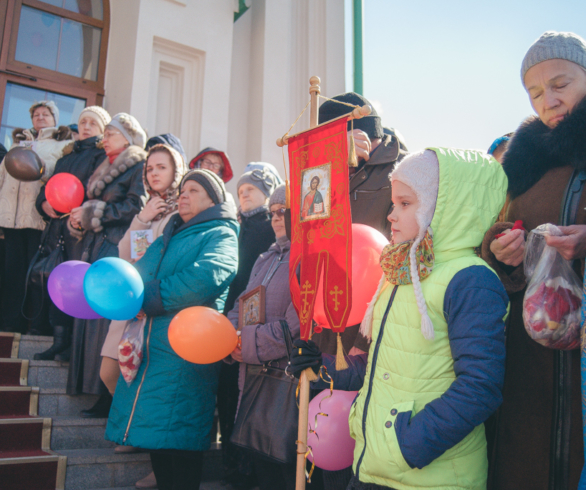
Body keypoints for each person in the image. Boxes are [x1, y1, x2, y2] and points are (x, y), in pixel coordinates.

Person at [292, 148, 509, 490]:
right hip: (376, 466)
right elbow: (386, 365)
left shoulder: (470, 279)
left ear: (444, 208)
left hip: (429, 476)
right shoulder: (401, 272)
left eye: (405, 204)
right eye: (393, 203)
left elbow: (480, 386)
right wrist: (321, 367)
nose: (391, 215)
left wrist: (407, 445)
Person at [481, 31, 586, 489]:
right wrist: (501, 249)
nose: (550, 100)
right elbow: (496, 228)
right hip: (533, 359)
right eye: (536, 92)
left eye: (561, 84)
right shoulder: (522, 164)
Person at [105, 169, 238, 490]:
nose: (183, 195)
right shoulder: (170, 235)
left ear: (213, 199)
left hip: (185, 350)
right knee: (158, 440)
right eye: (182, 190)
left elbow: (208, 275)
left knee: (180, 440)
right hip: (152, 350)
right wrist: (130, 294)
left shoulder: (221, 232)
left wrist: (153, 296)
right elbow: (140, 273)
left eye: (193, 190)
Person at [66, 113, 147, 418]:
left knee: (106, 322)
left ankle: (107, 395)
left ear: (127, 136)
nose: (104, 138)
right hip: (96, 246)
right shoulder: (105, 164)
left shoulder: (138, 164)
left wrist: (94, 212)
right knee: (92, 319)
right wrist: (82, 219)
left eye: (111, 132)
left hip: (116, 248)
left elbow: (134, 206)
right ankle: (90, 385)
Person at [226, 184, 300, 490]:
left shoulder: (305, 259)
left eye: (283, 211)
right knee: (259, 469)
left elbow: (295, 328)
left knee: (281, 471)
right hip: (251, 379)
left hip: (283, 386)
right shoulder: (264, 259)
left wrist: (247, 344)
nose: (276, 218)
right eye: (272, 212)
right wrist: (229, 338)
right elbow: (240, 306)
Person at [218, 165, 280, 488]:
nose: (244, 195)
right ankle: (231, 461)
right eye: (241, 190)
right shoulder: (238, 225)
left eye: (251, 190)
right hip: (233, 317)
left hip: (253, 324)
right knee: (228, 396)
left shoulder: (265, 228)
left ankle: (241, 467)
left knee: (243, 398)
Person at [34, 106, 110, 360]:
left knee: (76, 285)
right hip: (57, 229)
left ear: (102, 129)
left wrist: (83, 214)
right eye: (82, 122)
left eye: (93, 123)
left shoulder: (102, 156)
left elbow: (98, 192)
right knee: (57, 282)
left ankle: (73, 345)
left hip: (82, 231)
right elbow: (50, 190)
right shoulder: (65, 158)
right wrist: (43, 205)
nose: (86, 126)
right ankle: (58, 340)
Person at [0, 100, 71, 334]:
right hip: (9, 219)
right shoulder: (17, 144)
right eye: (36, 114)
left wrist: (35, 160)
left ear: (54, 119)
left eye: (46, 114)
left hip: (37, 221)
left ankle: (33, 324)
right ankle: (10, 323)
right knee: (11, 273)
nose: (40, 117)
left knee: (34, 274)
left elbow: (56, 173)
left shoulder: (62, 145)